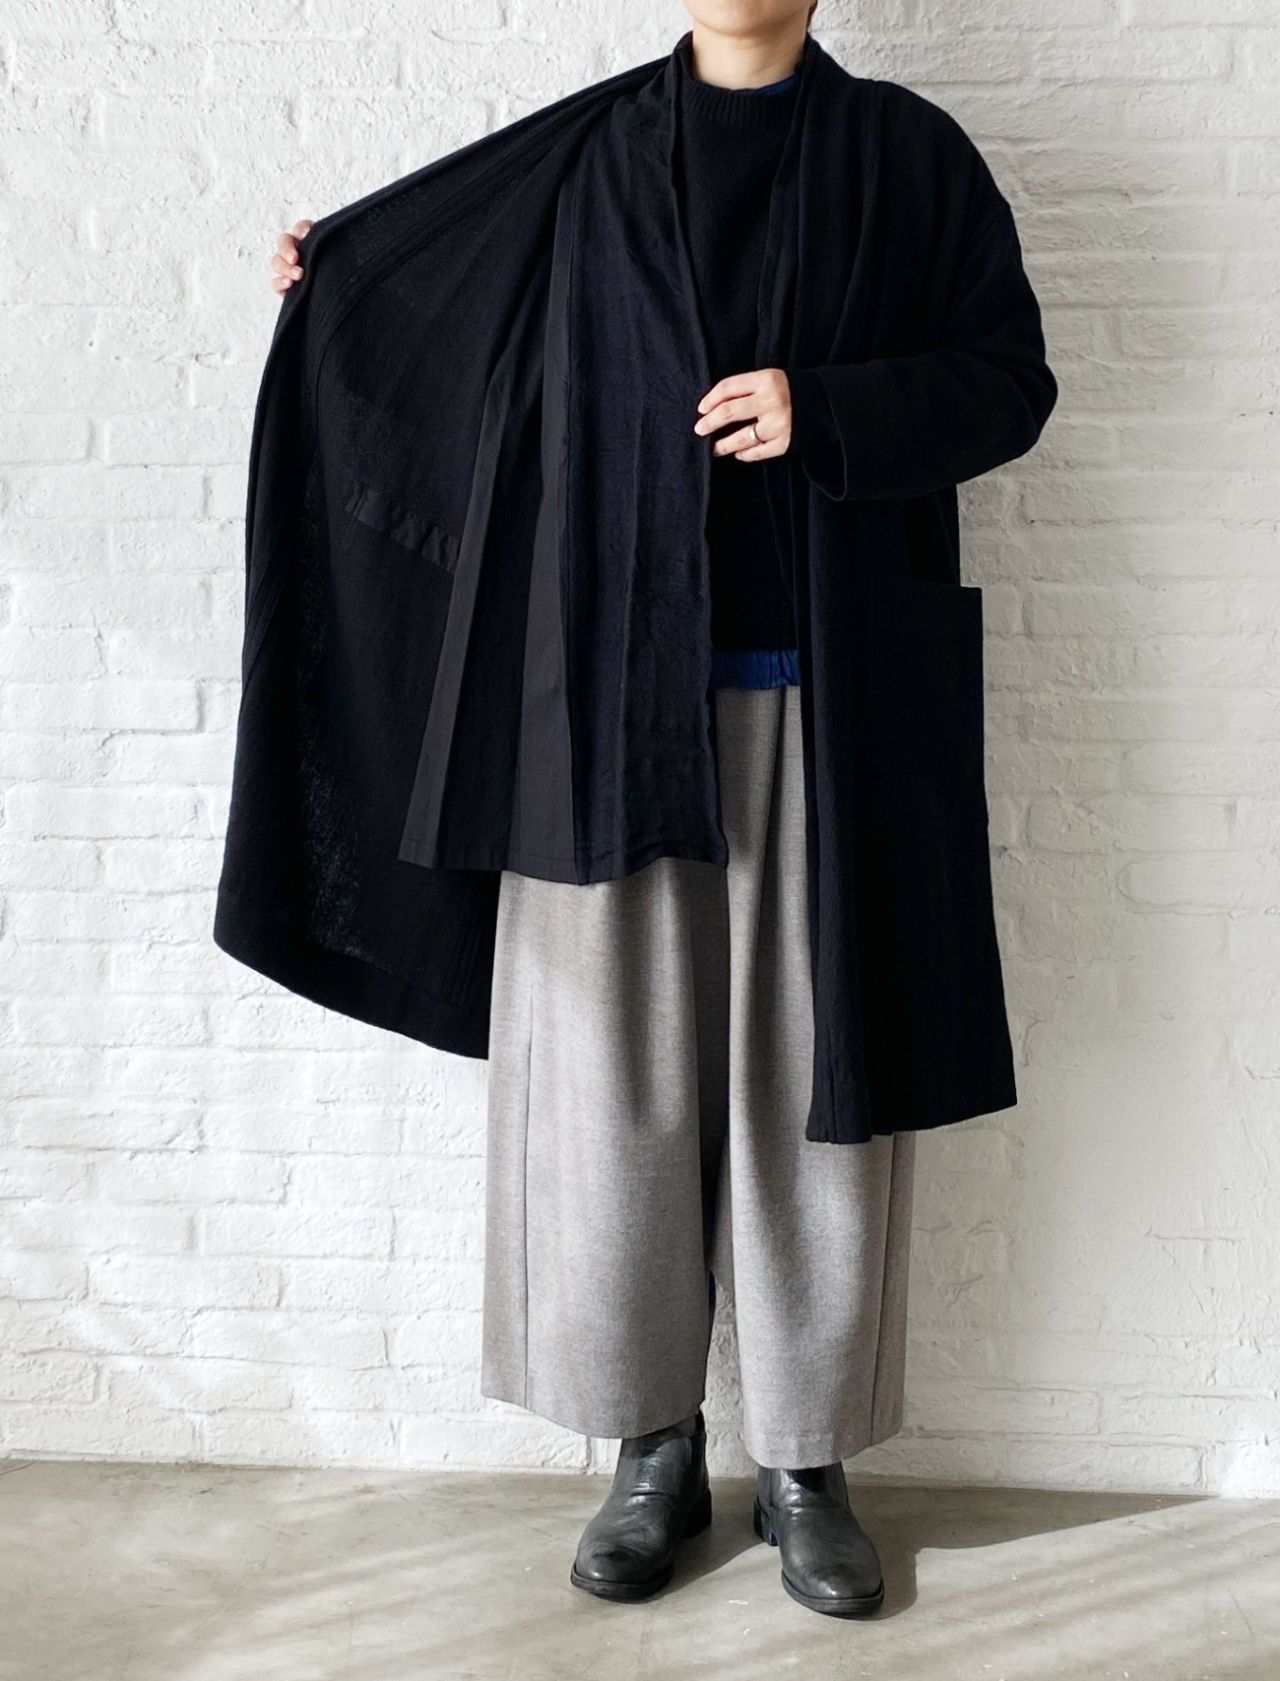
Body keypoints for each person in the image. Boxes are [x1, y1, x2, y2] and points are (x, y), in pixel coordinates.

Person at [258, 0, 1053, 1621]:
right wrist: (335, 272)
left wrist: (824, 409)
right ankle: (650, 1449)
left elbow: (1008, 383)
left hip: (829, 703)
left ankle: (808, 1465)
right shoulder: (578, 162)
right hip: (602, 699)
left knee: (811, 1091)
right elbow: (434, 318)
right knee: (607, 1092)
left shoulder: (909, 159)